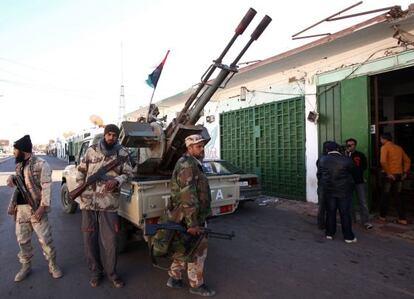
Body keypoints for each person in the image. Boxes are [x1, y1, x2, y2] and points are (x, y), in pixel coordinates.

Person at [76, 124, 133, 288]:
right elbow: (81, 171)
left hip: (109, 204)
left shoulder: (122, 153)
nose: (111, 138)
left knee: (111, 241)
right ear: (104, 134)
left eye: (114, 135)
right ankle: (95, 272)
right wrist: (81, 189)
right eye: (109, 134)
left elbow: (129, 174)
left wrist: (116, 180)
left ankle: (112, 274)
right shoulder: (91, 150)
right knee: (89, 241)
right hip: (88, 204)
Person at [6, 134, 63, 282]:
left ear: (22, 150)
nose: (13, 153)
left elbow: (47, 188)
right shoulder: (19, 164)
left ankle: (53, 266)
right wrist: (12, 177)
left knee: (45, 240)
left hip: (37, 208)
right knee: (22, 240)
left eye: (15, 150)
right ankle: (26, 266)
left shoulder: (42, 164)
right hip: (21, 209)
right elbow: (21, 178)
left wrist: (42, 208)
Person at [166, 134, 216, 297]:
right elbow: (188, 196)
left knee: (184, 247)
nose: (202, 149)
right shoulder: (188, 165)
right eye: (198, 146)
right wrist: (192, 224)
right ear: (189, 148)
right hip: (190, 217)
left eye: (202, 146)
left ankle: (174, 278)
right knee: (198, 250)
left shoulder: (192, 162)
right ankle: (196, 284)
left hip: (184, 216)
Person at [317, 141, 357, 243]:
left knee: (330, 212)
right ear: (338, 149)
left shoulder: (322, 159)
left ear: (327, 150)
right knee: (344, 213)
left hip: (329, 191)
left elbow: (319, 175)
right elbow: (355, 173)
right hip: (343, 192)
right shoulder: (346, 160)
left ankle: (329, 233)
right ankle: (348, 237)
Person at [379, 133, 411, 225]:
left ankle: (382, 217)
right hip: (399, 175)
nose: (381, 141)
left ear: (384, 139)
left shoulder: (385, 147)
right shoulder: (399, 148)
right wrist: (405, 172)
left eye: (381, 139)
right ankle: (402, 219)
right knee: (399, 197)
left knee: (385, 196)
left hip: (389, 176)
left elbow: (383, 161)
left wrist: (388, 173)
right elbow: (408, 161)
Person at [345, 138, 373, 230]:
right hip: (348, 182)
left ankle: (366, 222)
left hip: (359, 181)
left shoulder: (360, 155)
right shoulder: (344, 155)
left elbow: (364, 166)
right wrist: (347, 154)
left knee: (363, 202)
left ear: (355, 145)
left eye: (351, 144)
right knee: (349, 202)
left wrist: (358, 173)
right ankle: (352, 220)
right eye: (348, 145)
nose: (350, 146)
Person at [316, 141, 329, 230]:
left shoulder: (321, 158)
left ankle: (321, 224)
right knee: (325, 206)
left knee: (322, 205)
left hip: (321, 184)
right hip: (325, 185)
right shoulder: (326, 158)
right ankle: (324, 223)